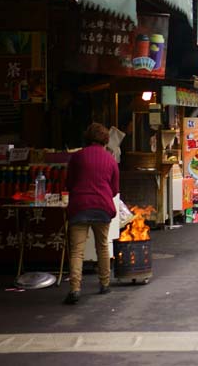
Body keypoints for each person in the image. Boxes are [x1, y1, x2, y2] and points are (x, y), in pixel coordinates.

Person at [64, 123, 119, 305]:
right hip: (102, 206)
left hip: (79, 206)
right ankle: (104, 283)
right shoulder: (110, 159)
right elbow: (115, 188)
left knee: (77, 250)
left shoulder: (77, 157)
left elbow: (69, 183)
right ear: (105, 140)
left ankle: (75, 288)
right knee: (102, 246)